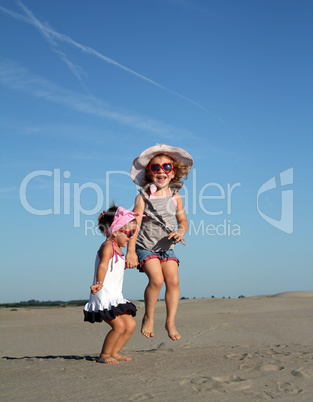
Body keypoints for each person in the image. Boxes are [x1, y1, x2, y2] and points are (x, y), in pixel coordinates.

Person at [126, 144, 193, 341]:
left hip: (167, 248)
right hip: (145, 247)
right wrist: (130, 251)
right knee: (157, 280)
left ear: (173, 173)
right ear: (149, 173)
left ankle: (170, 321)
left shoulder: (176, 197)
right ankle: (149, 316)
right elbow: (134, 225)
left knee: (173, 280)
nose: (161, 171)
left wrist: (181, 232)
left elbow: (183, 222)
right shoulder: (143, 197)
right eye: (155, 167)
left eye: (166, 167)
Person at [84, 204, 144, 364]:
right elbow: (103, 265)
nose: (131, 237)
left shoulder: (118, 248)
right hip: (103, 295)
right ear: (115, 231)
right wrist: (99, 282)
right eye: (129, 233)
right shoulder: (108, 247)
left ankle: (115, 352)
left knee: (130, 324)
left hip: (115, 296)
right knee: (118, 327)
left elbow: (114, 266)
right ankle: (104, 354)